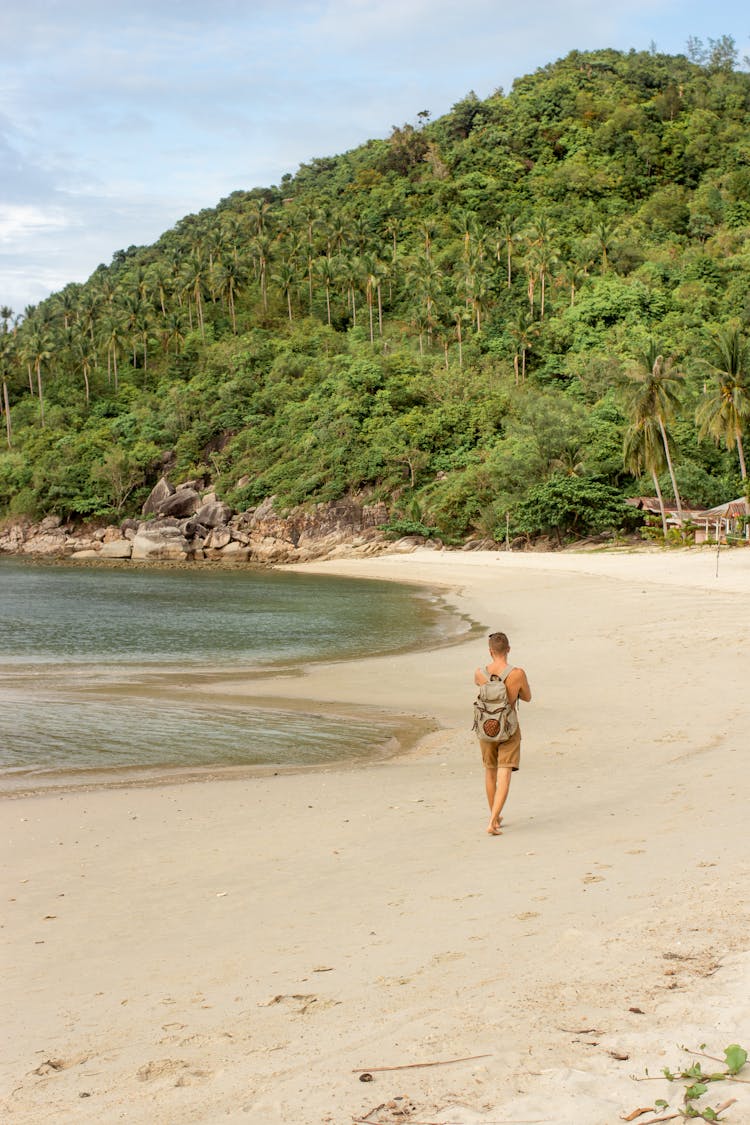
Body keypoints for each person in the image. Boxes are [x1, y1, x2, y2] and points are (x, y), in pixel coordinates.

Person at [474, 631, 531, 836]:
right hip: (509, 728)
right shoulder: (518, 673)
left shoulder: (479, 673)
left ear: (490, 652)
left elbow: (482, 690)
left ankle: (495, 818)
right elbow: (527, 697)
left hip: (486, 727)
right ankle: (492, 821)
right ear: (508, 649)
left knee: (490, 771)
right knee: (504, 773)